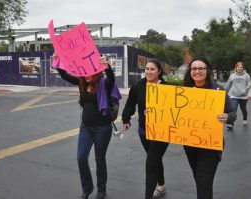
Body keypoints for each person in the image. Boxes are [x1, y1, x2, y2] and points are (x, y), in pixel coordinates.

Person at [54, 55, 121, 199]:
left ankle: (101, 189)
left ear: (97, 72)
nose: (86, 76)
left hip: (103, 128)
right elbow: (64, 75)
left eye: (89, 73)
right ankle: (87, 189)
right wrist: (57, 61)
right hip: (86, 127)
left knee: (99, 159)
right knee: (81, 158)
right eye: (84, 73)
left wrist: (107, 67)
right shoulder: (82, 83)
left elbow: (111, 80)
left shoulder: (104, 83)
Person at [182, 57, 236, 199]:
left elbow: (232, 113)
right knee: (200, 180)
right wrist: (154, 113)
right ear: (190, 71)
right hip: (190, 144)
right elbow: (170, 111)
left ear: (207, 71)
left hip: (211, 145)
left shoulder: (218, 90)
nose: (197, 71)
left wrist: (227, 117)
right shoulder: (183, 90)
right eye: (194, 68)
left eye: (201, 68)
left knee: (204, 181)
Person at [122, 58, 169, 199]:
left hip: (162, 131)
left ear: (159, 71)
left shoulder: (167, 87)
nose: (148, 72)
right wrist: (126, 119)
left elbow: (174, 110)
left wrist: (158, 111)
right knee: (155, 159)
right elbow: (130, 103)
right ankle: (161, 185)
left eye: (152, 69)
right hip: (144, 130)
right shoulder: (138, 86)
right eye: (147, 69)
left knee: (151, 162)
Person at [225, 62, 251, 130]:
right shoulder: (232, 75)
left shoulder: (246, 75)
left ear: (243, 68)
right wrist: (225, 92)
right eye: (238, 67)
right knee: (233, 109)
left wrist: (244, 91)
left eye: (241, 67)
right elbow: (228, 84)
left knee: (243, 109)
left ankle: (245, 119)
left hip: (243, 96)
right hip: (233, 95)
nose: (239, 68)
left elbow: (249, 84)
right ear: (236, 67)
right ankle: (231, 123)